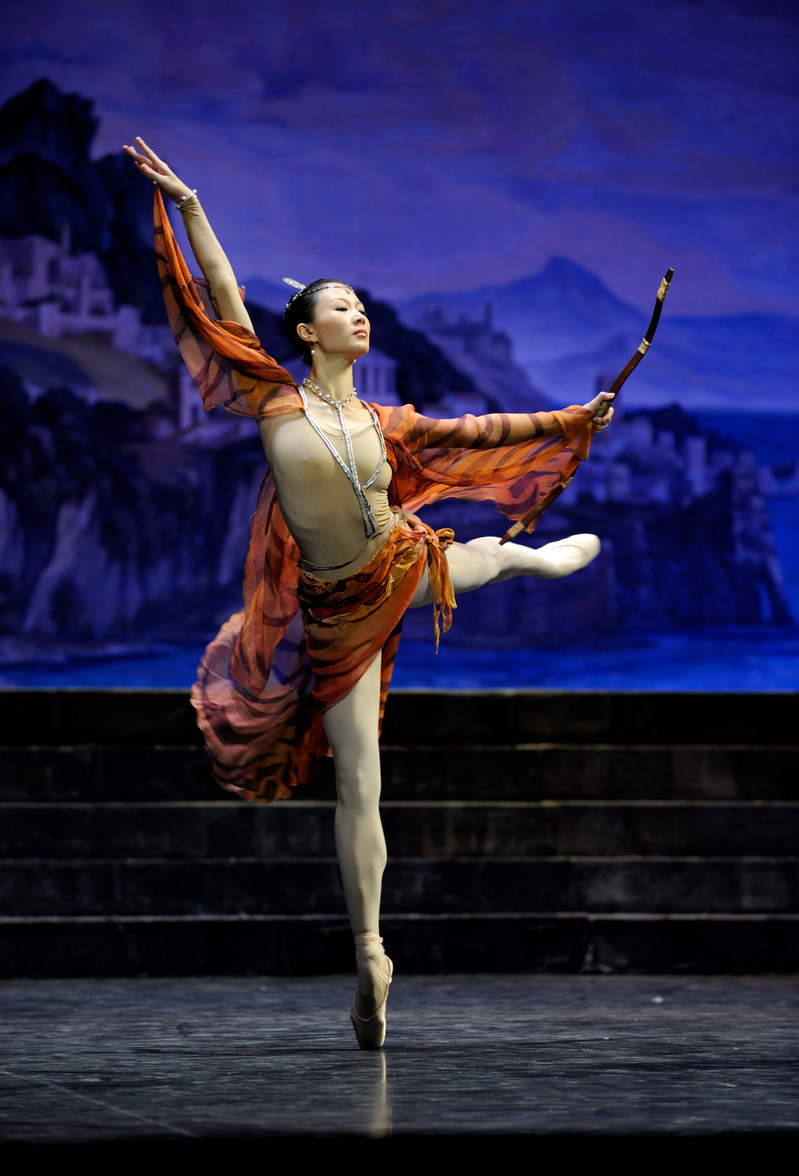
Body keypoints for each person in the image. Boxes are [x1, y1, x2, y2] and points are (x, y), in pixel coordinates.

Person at [124, 137, 615, 1050]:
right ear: (307, 332)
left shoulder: (390, 421)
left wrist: (573, 417)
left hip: (402, 563)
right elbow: (222, 293)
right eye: (340, 307)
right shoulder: (272, 398)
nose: (359, 315)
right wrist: (190, 206)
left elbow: (483, 430)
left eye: (362, 307)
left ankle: (540, 561)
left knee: (492, 560)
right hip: (335, 611)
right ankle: (370, 955)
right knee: (359, 781)